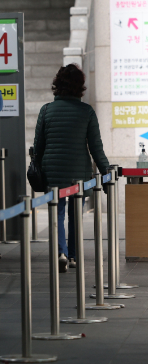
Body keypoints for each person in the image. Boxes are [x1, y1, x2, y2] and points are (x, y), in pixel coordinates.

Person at [32, 64, 109, 273]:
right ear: (80, 86)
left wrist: (36, 167)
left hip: (53, 171)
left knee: (56, 213)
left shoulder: (46, 110)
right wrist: (107, 173)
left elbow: (38, 146)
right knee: (76, 213)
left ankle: (61, 252)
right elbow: (96, 148)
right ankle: (74, 256)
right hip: (79, 173)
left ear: (57, 84)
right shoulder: (87, 112)